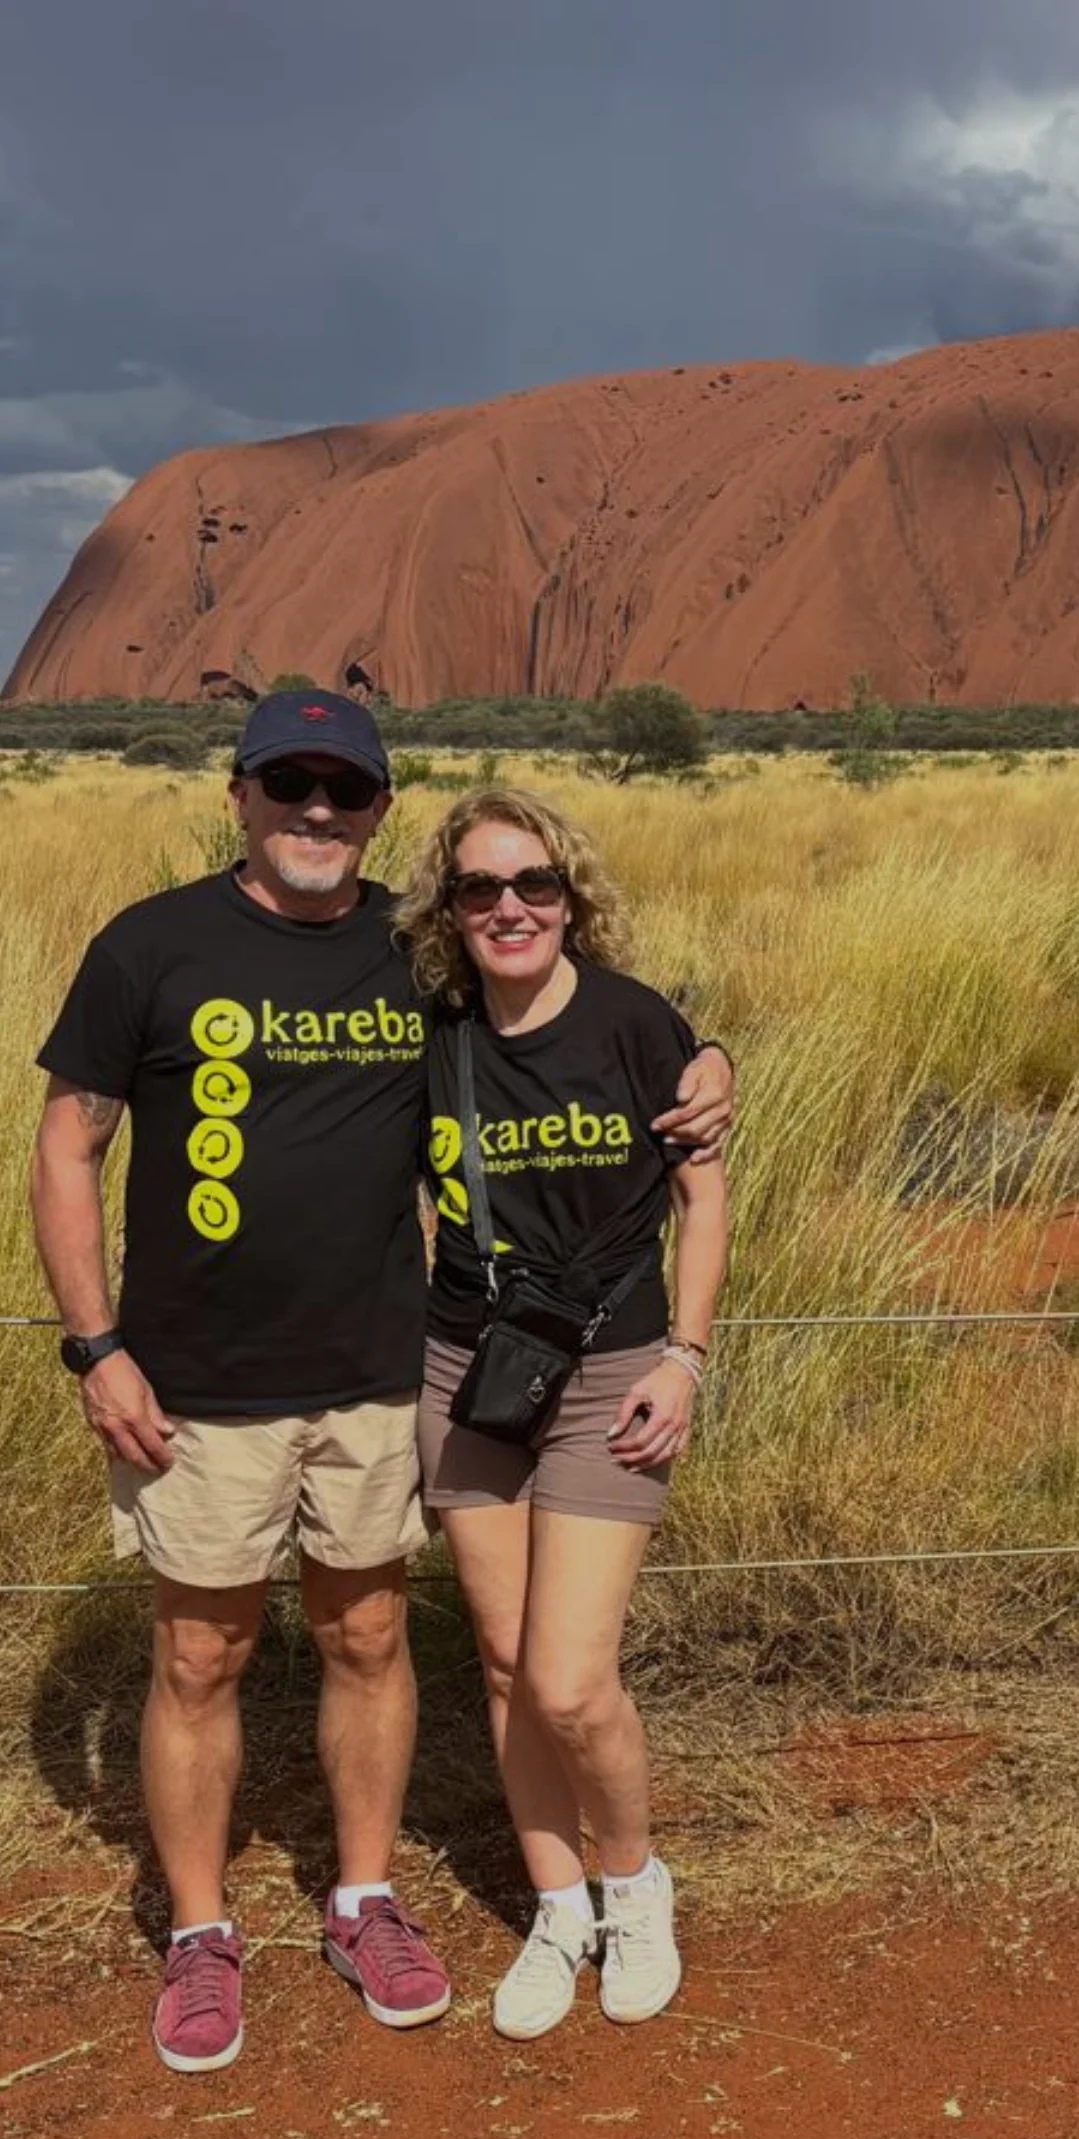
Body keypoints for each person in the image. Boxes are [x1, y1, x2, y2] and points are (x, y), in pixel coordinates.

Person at [29, 691, 734, 2075]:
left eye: (343, 791)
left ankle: (364, 1896)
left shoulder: (416, 957)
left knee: (368, 1641)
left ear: (376, 812)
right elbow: (66, 1146)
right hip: (193, 1382)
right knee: (197, 1655)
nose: (314, 811)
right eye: (287, 783)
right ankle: (198, 1932)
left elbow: (583, 1008)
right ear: (239, 794)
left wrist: (709, 1055)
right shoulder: (151, 945)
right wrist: (96, 1346)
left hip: (378, 1378)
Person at [395, 788, 727, 2041]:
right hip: (466, 1369)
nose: (511, 908)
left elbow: (703, 1199)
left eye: (535, 884)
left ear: (572, 898)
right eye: (480, 889)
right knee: (500, 1665)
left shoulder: (641, 1027)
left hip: (609, 1369)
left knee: (572, 1680)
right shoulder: (432, 1028)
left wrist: (686, 1359)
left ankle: (635, 1885)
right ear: (450, 910)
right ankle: (555, 1904)